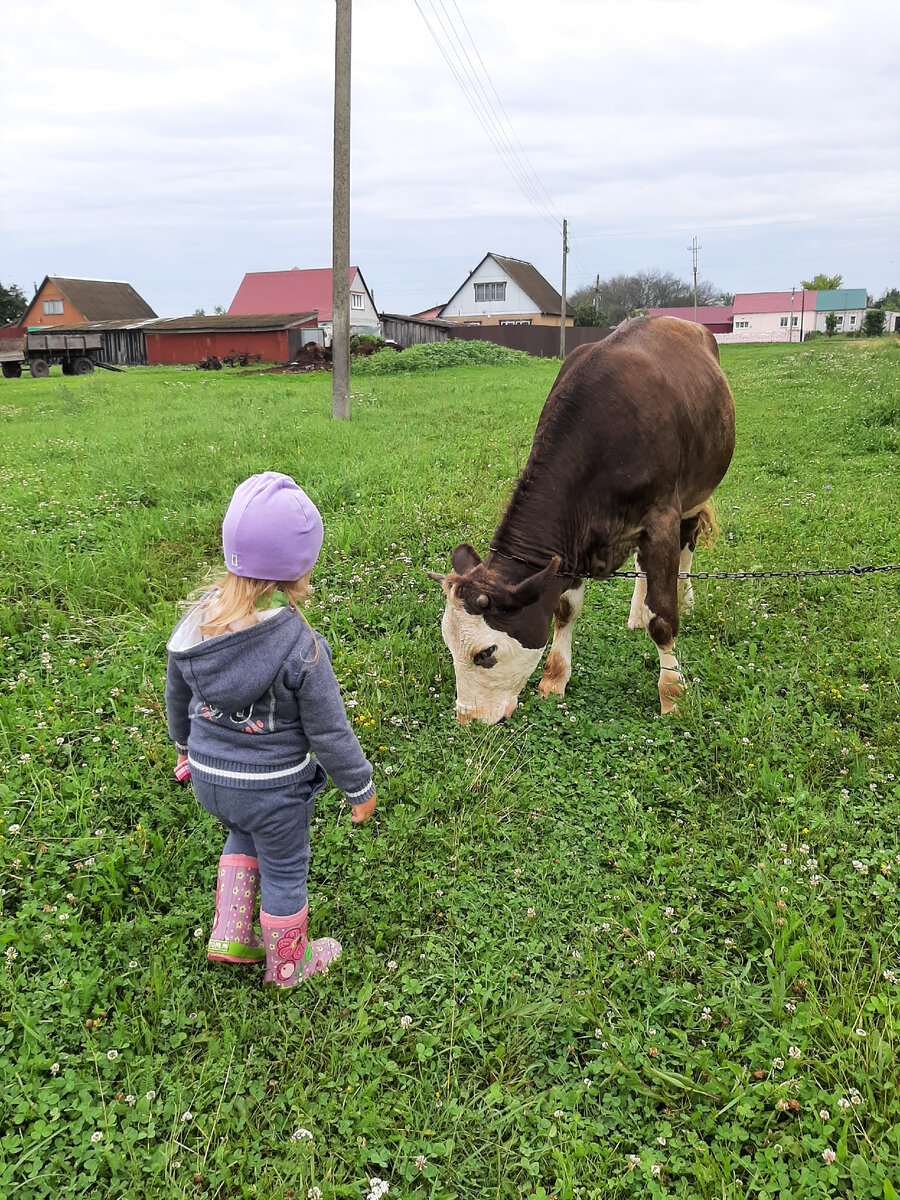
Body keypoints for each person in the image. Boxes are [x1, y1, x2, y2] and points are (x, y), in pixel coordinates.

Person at [165, 471, 376, 988]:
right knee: (285, 869)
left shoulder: (196, 625)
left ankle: (233, 931)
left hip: (211, 778)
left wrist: (183, 748)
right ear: (299, 570)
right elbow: (329, 731)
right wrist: (359, 785)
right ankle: (287, 967)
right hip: (274, 791)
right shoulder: (301, 645)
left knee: (242, 832)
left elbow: (177, 698)